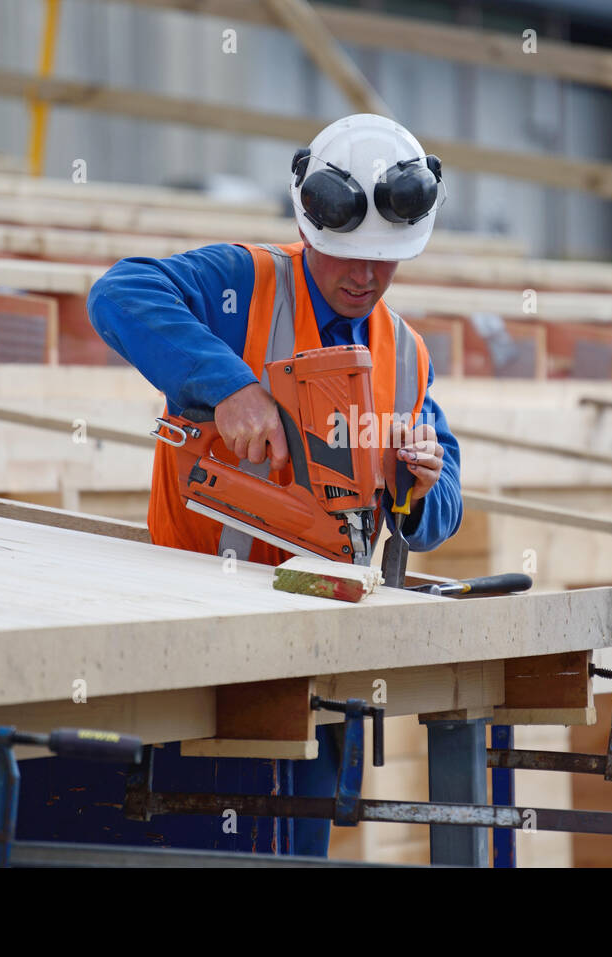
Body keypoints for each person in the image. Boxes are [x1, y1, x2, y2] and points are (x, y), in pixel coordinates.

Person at [86, 113, 463, 857]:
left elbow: (442, 500)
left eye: (384, 262)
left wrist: (418, 483)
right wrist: (226, 385)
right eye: (347, 258)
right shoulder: (241, 287)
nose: (365, 276)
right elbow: (120, 293)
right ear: (311, 227)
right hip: (197, 646)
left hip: (319, 657)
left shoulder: (405, 354)